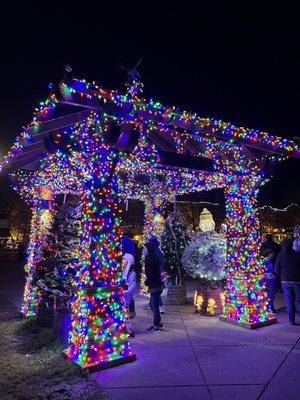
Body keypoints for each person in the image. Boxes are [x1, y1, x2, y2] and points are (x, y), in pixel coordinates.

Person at [275, 237, 300, 325]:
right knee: (298, 301)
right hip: (297, 280)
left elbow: (277, 269)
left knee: (289, 301)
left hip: (285, 280)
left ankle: (291, 320)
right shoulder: (297, 255)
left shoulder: (280, 255)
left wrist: (282, 275)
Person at [144, 238, 164, 332]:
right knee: (154, 304)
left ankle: (156, 326)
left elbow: (152, 272)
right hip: (157, 283)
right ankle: (158, 323)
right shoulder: (156, 255)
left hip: (154, 284)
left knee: (154, 305)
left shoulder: (152, 257)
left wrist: (148, 281)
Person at [122, 252, 137, 338]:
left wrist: (126, 291)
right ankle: (126, 328)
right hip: (122, 296)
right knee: (123, 313)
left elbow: (133, 285)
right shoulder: (122, 271)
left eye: (124, 259)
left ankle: (129, 330)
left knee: (125, 313)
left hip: (127, 297)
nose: (122, 261)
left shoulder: (131, 273)